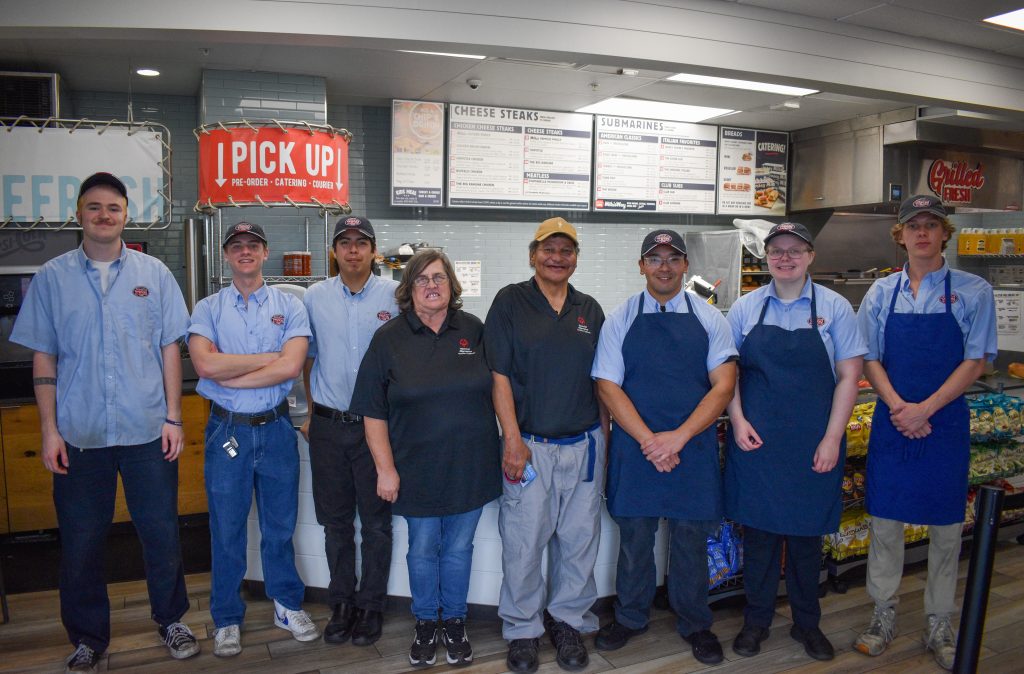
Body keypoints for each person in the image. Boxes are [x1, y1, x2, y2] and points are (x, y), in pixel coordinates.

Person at [10, 172, 199, 673]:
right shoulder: (52, 278)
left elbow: (170, 349)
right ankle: (88, 637)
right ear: (79, 214)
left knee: (161, 533)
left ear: (125, 215)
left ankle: (171, 619)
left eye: (113, 208)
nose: (104, 215)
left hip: (146, 430)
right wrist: (49, 430)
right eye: (94, 207)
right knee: (81, 542)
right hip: (80, 435)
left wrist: (174, 417)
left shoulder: (154, 274)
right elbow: (44, 358)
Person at [854, 195, 996, 670]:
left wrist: (925, 409)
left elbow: (975, 360)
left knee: (947, 526)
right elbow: (868, 357)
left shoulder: (974, 291)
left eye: (930, 225)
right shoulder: (881, 292)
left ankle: (939, 620)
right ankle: (883, 613)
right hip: (894, 421)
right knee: (885, 522)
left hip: (945, 422)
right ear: (900, 235)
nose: (921, 232)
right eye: (912, 225)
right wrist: (900, 408)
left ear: (943, 233)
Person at [591, 229, 737, 666]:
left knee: (691, 539)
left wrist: (678, 437)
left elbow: (723, 386)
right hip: (636, 448)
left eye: (673, 258)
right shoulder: (620, 318)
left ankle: (695, 622)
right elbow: (607, 386)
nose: (664, 267)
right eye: (654, 259)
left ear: (685, 265)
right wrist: (649, 440)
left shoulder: (710, 319)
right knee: (635, 538)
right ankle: (630, 617)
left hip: (692, 447)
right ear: (641, 266)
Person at [350, 250, 501, 667]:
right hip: (415, 469)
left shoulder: (473, 330)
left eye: (439, 277)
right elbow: (372, 411)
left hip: (471, 465)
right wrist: (385, 469)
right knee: (422, 549)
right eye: (422, 279)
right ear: (409, 288)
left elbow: (502, 389)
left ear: (452, 284)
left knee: (459, 548)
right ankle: (425, 622)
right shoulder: (389, 339)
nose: (432, 286)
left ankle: (454, 621)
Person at [724, 222, 866, 662]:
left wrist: (832, 438)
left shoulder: (835, 307)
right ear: (766, 257)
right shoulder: (745, 308)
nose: (785, 258)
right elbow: (726, 375)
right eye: (777, 251)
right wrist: (738, 420)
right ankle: (756, 621)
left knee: (807, 541)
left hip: (812, 443)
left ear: (810, 256)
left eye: (794, 250)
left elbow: (849, 377)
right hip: (757, 442)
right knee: (760, 539)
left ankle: (808, 623)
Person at [188, 221, 319, 657]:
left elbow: (291, 367)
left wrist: (231, 375)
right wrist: (268, 358)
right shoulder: (208, 308)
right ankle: (227, 618)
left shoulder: (290, 306)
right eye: (237, 245)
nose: (245, 251)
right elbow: (205, 366)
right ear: (227, 255)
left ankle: (287, 605)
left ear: (265, 252)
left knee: (279, 527)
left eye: (253, 245)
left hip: (276, 429)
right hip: (227, 431)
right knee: (226, 530)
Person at [484, 217, 608, 673]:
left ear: (576, 258)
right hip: (530, 447)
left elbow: (602, 383)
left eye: (566, 250)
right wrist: (512, 440)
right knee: (523, 544)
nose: (557, 258)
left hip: (584, 445)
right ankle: (522, 629)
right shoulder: (510, 301)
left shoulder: (589, 309)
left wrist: (604, 444)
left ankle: (568, 621)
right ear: (533, 255)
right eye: (548, 249)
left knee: (579, 543)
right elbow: (498, 376)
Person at [300, 216, 397, 646]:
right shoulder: (314, 297)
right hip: (328, 428)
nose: (353, 250)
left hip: (375, 430)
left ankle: (371, 606)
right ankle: (341, 603)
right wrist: (310, 411)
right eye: (345, 242)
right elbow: (307, 360)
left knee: (376, 525)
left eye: (361, 242)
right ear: (334, 251)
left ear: (373, 250)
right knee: (335, 523)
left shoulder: (394, 296)